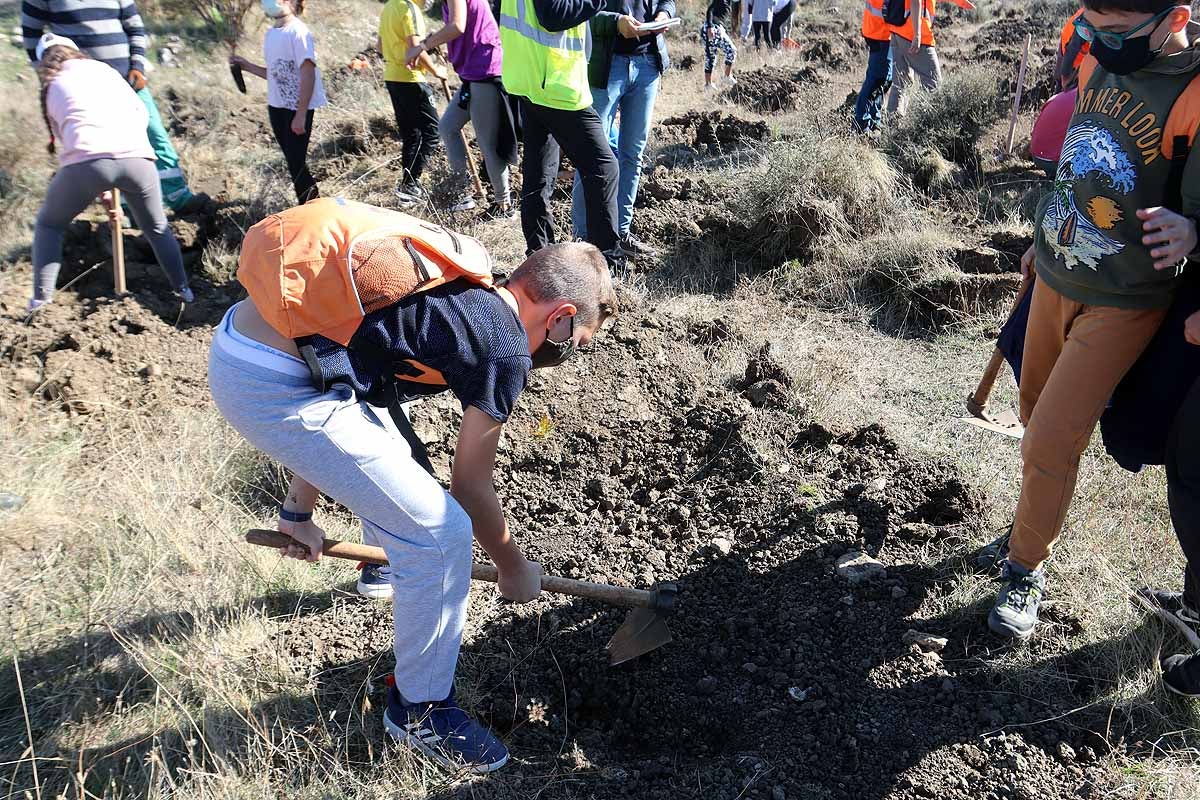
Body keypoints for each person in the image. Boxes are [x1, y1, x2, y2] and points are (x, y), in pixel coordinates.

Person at [208, 196, 617, 771]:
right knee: (442, 533)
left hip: (251, 348)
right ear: (560, 316)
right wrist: (512, 565)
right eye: (572, 341)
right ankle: (420, 712)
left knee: (407, 474)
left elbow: (340, 376)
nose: (562, 353)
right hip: (269, 384)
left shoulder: (444, 296)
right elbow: (471, 486)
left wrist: (299, 514)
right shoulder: (502, 347)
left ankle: (394, 561)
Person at [986, 0, 1200, 640]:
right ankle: (1032, 516)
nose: (1099, 42)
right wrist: (1040, 235)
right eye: (1089, 27)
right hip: (1054, 275)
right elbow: (1075, 162)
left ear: (1174, 18)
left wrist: (1193, 231)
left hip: (1125, 300)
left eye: (1115, 31)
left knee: (1051, 436)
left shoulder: (1193, 92)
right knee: (1033, 418)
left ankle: (1023, 571)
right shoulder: (1096, 65)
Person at [29, 35, 192, 314]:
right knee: (156, 227)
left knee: (49, 226)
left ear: (45, 61)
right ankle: (184, 291)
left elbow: (72, 142)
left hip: (87, 163)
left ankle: (41, 305)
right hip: (138, 159)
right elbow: (141, 113)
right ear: (74, 51)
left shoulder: (52, 85)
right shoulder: (106, 71)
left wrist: (98, 182)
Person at [22, 0, 209, 215]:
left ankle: (178, 197)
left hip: (128, 80)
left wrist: (137, 65)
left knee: (155, 134)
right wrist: (52, 78)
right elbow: (31, 39)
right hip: (84, 89)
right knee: (111, 149)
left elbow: (134, 26)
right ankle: (129, 211)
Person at [499, 0, 629, 268]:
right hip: (555, 85)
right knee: (604, 167)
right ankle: (605, 261)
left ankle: (539, 255)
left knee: (539, 175)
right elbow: (553, 15)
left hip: (531, 79)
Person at [569, 0, 675, 258]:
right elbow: (577, 11)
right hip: (608, 65)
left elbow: (668, 2)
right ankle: (582, 238)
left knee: (632, 154)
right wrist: (616, 23)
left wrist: (664, 14)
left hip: (648, 64)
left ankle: (621, 232)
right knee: (591, 152)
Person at [404, 0, 517, 217]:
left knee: (488, 143)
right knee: (447, 127)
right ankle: (461, 193)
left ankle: (505, 206)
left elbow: (457, 25)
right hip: (472, 74)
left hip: (485, 72)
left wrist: (423, 46)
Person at [229, 0, 326, 205]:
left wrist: (300, 114)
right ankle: (310, 205)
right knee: (293, 163)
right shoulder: (271, 34)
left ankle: (313, 206)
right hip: (277, 107)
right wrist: (246, 66)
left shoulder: (298, 33)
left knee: (296, 163)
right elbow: (276, 74)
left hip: (297, 108)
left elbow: (308, 74)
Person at [380, 0, 448, 206]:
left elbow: (379, 46)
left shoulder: (390, 6)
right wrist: (437, 70)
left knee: (411, 134)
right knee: (432, 132)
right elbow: (415, 49)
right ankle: (411, 185)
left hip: (392, 76)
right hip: (411, 79)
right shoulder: (410, 8)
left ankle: (407, 188)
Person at [853, 0, 893, 133]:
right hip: (880, 33)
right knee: (877, 80)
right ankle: (861, 124)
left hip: (880, 32)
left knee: (883, 80)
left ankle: (873, 121)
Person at [1057, 8, 1091, 92]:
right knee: (1064, 90)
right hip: (1068, 49)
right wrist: (1065, 78)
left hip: (1083, 56)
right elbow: (1072, 49)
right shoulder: (1088, 20)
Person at [701, 19, 738, 91]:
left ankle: (727, 77)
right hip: (712, 28)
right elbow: (710, 10)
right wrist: (710, 27)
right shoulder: (721, 6)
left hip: (719, 28)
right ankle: (708, 84)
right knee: (711, 57)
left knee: (732, 50)